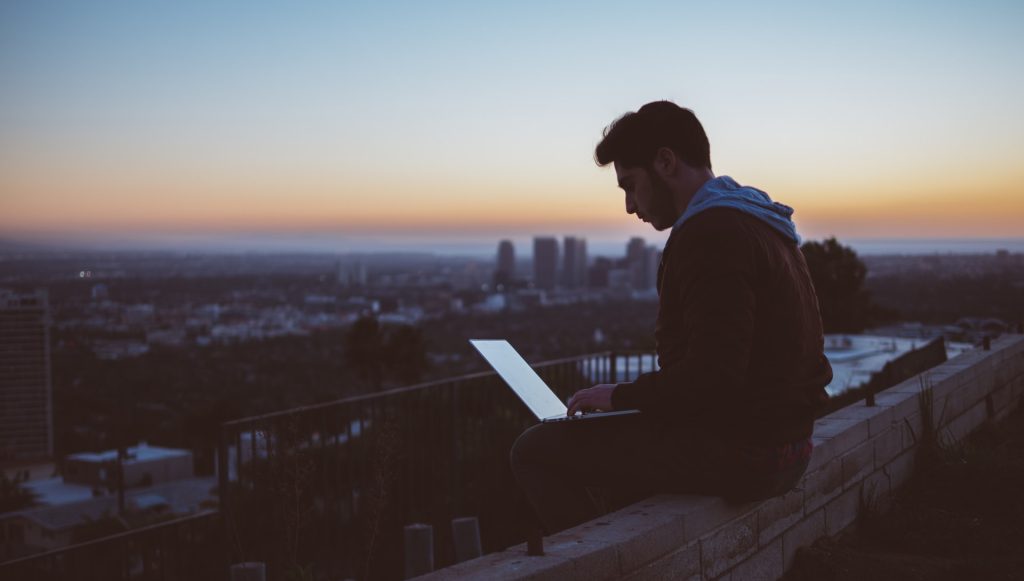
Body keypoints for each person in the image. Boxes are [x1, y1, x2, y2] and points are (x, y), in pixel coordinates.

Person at [509, 101, 833, 534]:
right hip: (787, 445)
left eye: (630, 185)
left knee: (535, 450)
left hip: (750, 454)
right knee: (616, 449)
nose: (629, 206)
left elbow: (714, 378)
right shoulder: (760, 221)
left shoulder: (711, 233)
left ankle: (606, 565)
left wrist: (620, 397)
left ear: (665, 162)